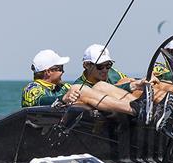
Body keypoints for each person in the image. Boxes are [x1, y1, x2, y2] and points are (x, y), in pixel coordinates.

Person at [21, 49, 152, 120]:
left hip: (73, 120)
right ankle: (135, 110)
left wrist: (133, 86)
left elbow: (96, 93)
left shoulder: (64, 87)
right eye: (60, 68)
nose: (63, 71)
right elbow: (40, 101)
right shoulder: (32, 88)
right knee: (80, 89)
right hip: (49, 128)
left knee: (100, 86)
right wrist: (63, 98)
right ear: (49, 71)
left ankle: (146, 107)